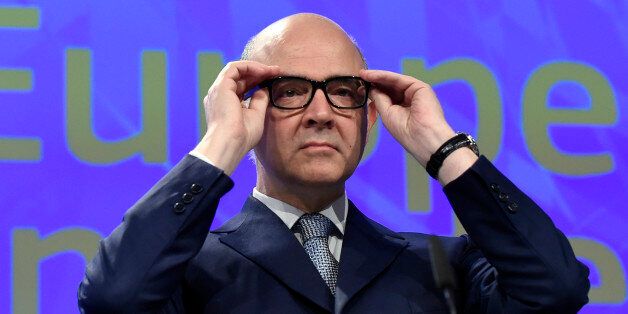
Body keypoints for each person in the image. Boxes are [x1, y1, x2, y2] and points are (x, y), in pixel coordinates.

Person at [78, 13, 590, 313]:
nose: (321, 113)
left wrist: (442, 145)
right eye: (292, 91)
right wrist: (221, 143)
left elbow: (556, 288)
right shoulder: (184, 270)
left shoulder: (440, 267)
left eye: (344, 92)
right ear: (251, 110)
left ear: (368, 117)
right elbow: (113, 299)